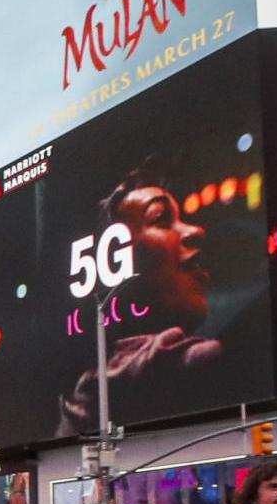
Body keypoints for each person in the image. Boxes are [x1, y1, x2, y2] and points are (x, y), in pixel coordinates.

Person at [57, 170, 224, 437]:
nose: (196, 231)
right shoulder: (200, 362)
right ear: (116, 258)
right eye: (161, 219)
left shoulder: (81, 398)